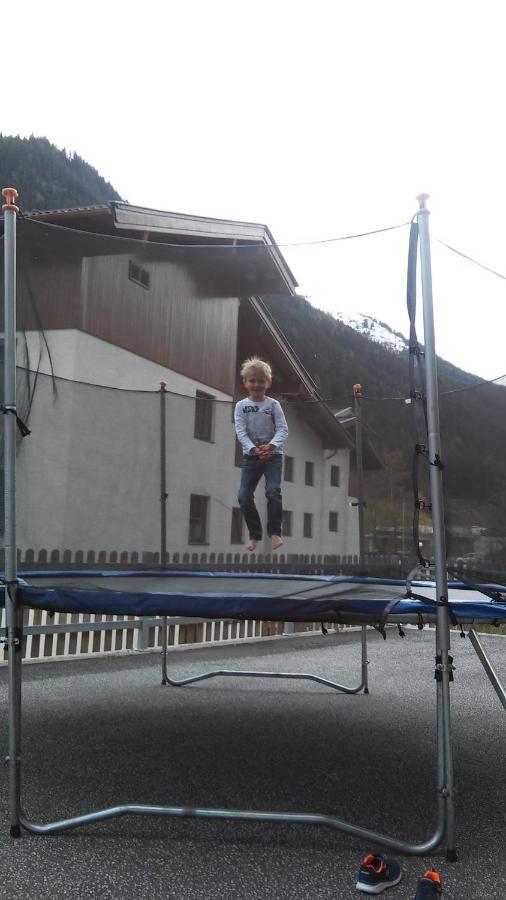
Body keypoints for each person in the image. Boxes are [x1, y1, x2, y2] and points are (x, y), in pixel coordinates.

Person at [234, 357, 288, 552]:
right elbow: (240, 431)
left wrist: (271, 446)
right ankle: (254, 535)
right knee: (243, 496)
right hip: (251, 456)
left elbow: (283, 429)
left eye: (261, 381)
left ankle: (275, 533)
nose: (257, 384)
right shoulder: (241, 406)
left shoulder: (273, 405)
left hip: (273, 456)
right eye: (253, 381)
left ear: (268, 383)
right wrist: (253, 449)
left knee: (272, 491)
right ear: (245, 383)